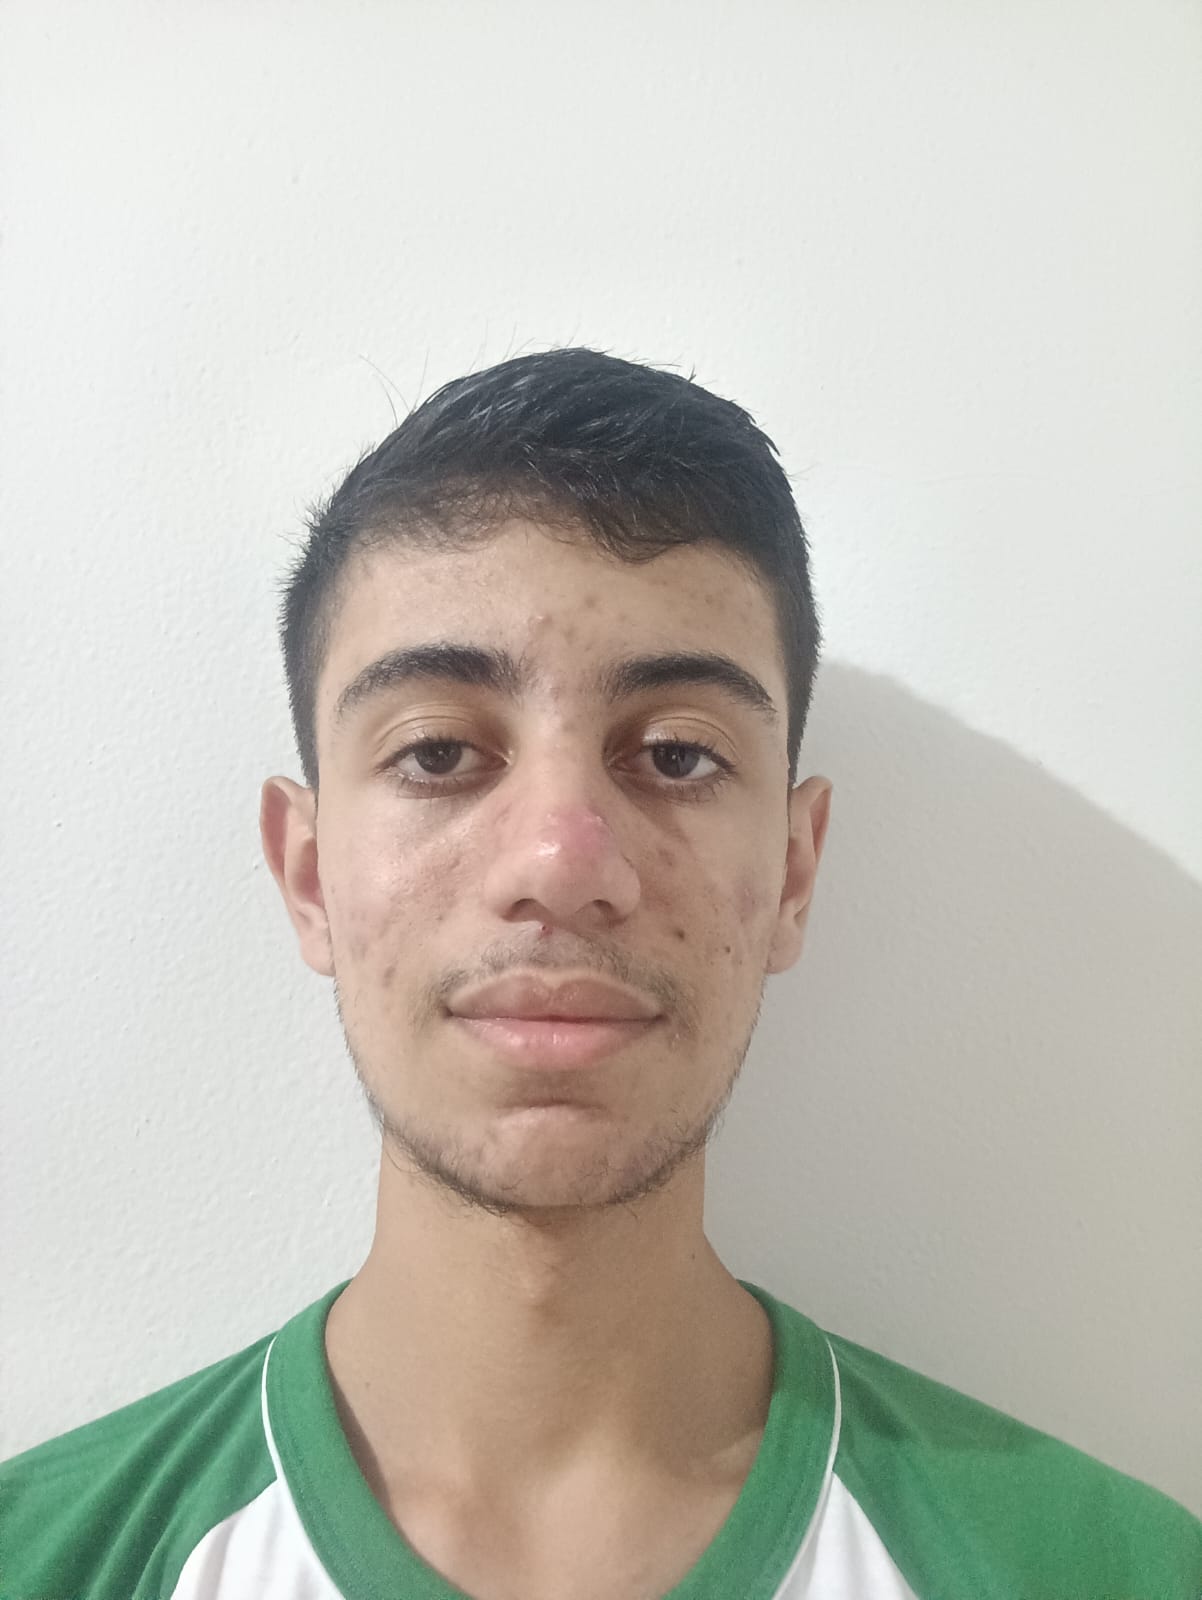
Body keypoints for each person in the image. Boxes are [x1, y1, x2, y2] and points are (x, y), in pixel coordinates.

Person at [3, 348, 1198, 1599]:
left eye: (676, 755)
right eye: (437, 753)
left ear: (793, 873)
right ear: (308, 876)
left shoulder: (1106, 1572)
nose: (561, 862)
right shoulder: (42, 1561)